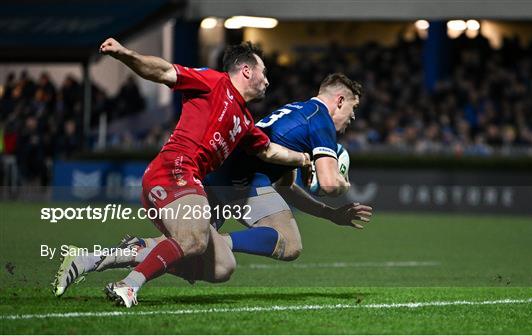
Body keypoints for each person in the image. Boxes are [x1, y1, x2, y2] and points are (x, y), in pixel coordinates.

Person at [53, 74, 372, 294]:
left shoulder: (298, 112)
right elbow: (329, 184)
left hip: (233, 175)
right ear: (340, 100)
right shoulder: (320, 119)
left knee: (221, 257)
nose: (351, 119)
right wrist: (341, 182)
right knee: (241, 253)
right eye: (353, 109)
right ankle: (201, 246)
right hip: (233, 179)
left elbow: (286, 187)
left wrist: (330, 214)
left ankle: (92, 258)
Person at [53, 38, 311, 308]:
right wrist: (125, 54)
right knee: (193, 240)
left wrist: (303, 158)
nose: (267, 80)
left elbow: (269, 151)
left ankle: (89, 259)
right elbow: (164, 71)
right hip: (174, 169)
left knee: (222, 266)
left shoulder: (245, 121)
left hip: (187, 179)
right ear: (246, 70)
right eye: (264, 72)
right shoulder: (213, 81)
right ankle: (129, 285)